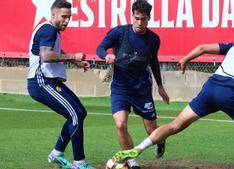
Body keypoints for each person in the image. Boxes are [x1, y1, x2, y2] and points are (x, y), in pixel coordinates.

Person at [111, 28, 234, 169]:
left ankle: (138, 148)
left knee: (175, 125)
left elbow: (202, 47)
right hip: (230, 93)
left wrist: (185, 59)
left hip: (210, 87)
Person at [96, 0, 169, 168]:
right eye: (136, 18)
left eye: (143, 19)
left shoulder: (153, 39)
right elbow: (100, 48)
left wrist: (160, 86)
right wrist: (105, 55)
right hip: (120, 88)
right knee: (120, 124)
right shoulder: (119, 33)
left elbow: (154, 61)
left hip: (142, 89)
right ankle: (132, 162)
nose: (139, 23)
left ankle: (160, 140)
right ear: (132, 16)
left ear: (149, 18)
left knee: (152, 130)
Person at [27, 0, 94, 169]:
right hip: (41, 82)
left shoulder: (50, 30)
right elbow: (46, 56)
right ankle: (79, 163)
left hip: (48, 81)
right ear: (53, 14)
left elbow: (53, 51)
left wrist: (76, 63)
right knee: (75, 115)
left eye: (69, 17)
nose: (67, 20)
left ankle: (57, 153)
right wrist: (73, 57)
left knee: (80, 112)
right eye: (64, 16)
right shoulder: (49, 30)